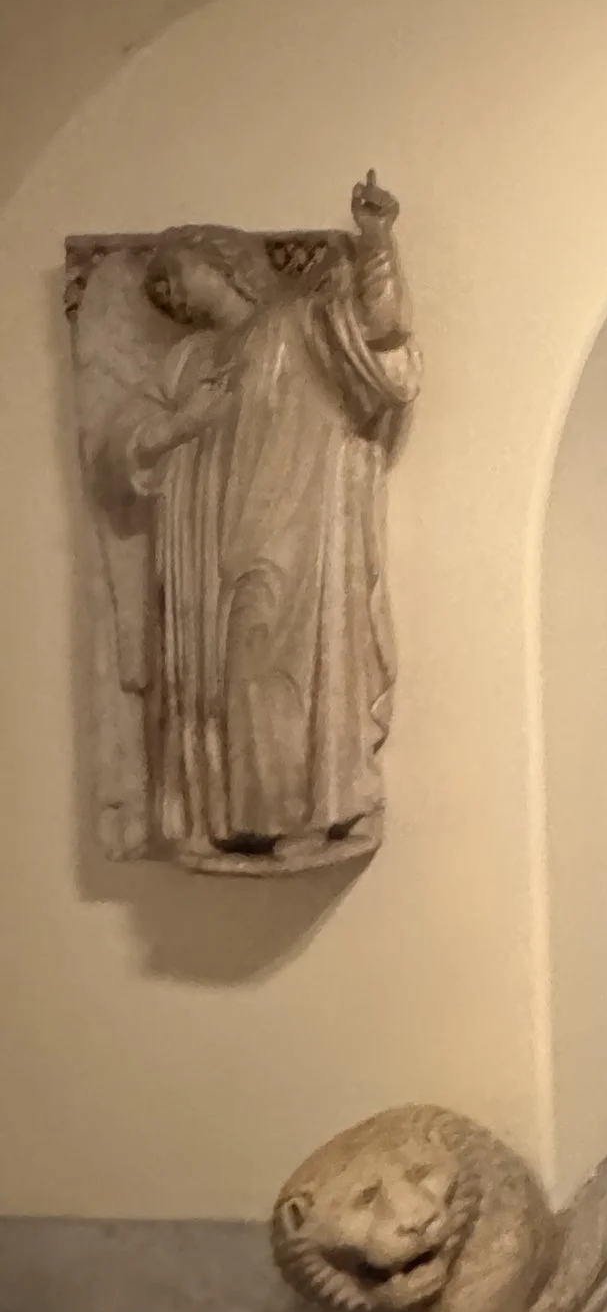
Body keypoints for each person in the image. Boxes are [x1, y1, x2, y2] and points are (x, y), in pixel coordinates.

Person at [116, 174, 420, 865]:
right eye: (158, 291)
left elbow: (380, 329)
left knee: (274, 672)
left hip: (287, 534)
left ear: (218, 257)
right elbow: (123, 438)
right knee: (211, 689)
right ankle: (223, 820)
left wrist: (375, 241)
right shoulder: (186, 360)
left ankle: (304, 816)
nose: (169, 293)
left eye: (174, 273)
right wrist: (176, 427)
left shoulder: (294, 325)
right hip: (200, 554)